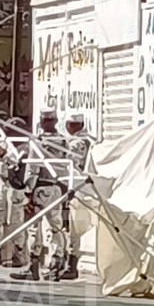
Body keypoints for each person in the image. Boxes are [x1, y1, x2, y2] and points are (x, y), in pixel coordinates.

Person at [11, 108, 69, 281]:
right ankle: (56, 263)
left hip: (41, 187)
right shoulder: (63, 142)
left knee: (34, 227)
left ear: (42, 121)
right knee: (55, 226)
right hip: (57, 187)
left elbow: (33, 167)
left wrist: (28, 191)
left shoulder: (39, 141)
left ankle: (33, 265)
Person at [0, 116, 29, 267]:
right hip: (3, 184)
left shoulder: (28, 147)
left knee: (15, 222)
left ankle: (18, 254)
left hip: (16, 186)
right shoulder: (4, 144)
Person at [61, 113, 95, 280]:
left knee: (73, 230)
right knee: (77, 229)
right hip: (89, 191)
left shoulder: (76, 143)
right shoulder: (92, 141)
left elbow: (70, 166)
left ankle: (71, 266)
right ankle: (70, 263)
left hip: (77, 191)